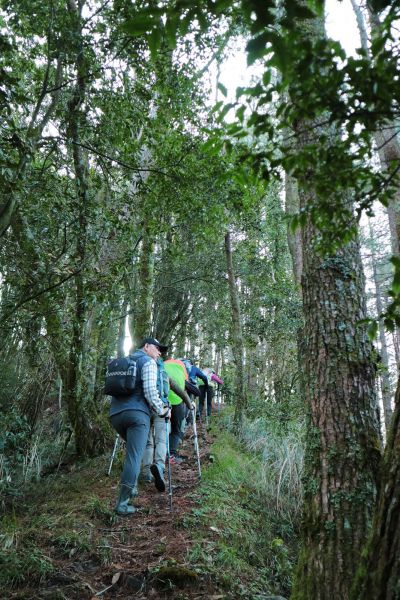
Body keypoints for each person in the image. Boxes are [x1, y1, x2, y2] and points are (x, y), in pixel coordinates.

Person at [109, 337, 170, 516]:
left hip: (115, 415)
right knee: (134, 457)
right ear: (146, 347)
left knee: (132, 452)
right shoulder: (148, 362)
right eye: (157, 349)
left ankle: (132, 489)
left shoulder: (125, 361)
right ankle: (122, 504)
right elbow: (151, 392)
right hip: (137, 416)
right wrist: (163, 411)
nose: (159, 353)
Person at [141, 358, 190, 492]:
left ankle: (146, 472)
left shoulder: (143, 371)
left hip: (145, 408)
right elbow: (180, 391)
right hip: (162, 408)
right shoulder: (163, 374)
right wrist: (189, 404)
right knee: (161, 440)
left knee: (148, 442)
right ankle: (160, 467)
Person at [164, 358, 195, 462]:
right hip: (177, 399)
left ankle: (159, 452)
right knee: (176, 429)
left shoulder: (164, 364)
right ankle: (171, 454)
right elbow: (185, 383)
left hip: (163, 399)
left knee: (161, 427)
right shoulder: (182, 366)